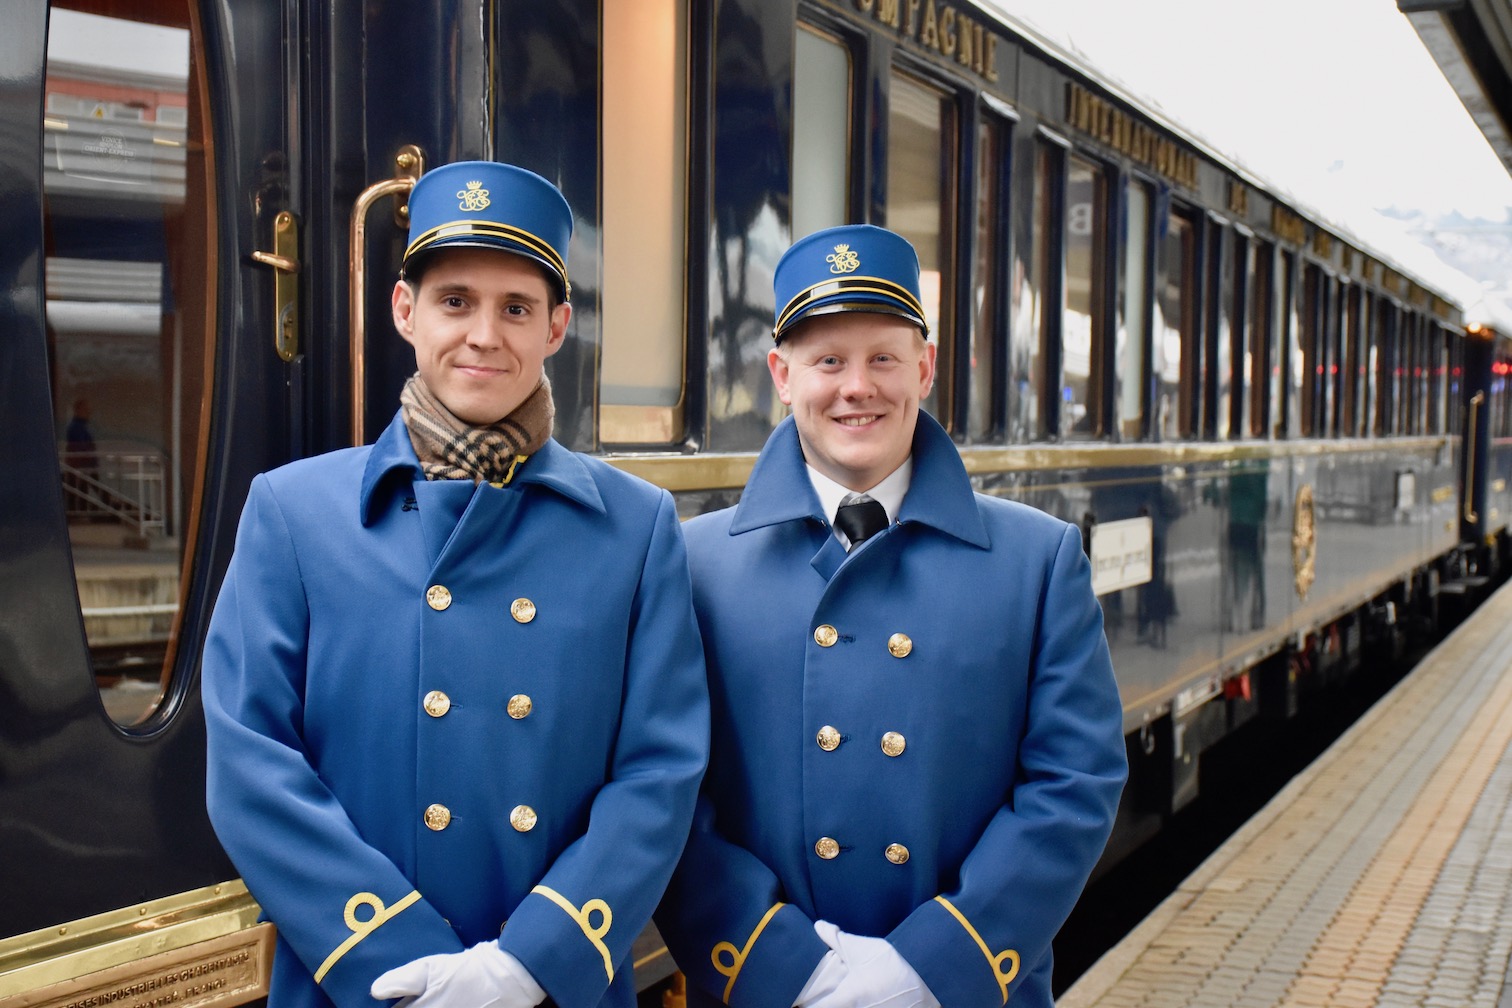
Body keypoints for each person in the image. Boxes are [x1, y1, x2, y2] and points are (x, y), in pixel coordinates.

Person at [203, 161, 709, 1008]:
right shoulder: (292, 512)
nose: (484, 334)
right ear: (405, 311)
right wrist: (396, 957)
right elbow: (249, 761)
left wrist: (528, 964)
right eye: (454, 301)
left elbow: (661, 771)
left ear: (558, 327)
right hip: (363, 983)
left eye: (517, 307)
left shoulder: (637, 527)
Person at [655, 224, 1127, 1008]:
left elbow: (1074, 784)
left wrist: (933, 966)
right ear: (781, 374)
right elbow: (667, 794)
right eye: (828, 360)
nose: (857, 387)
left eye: (883, 357)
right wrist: (778, 966)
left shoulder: (1037, 561)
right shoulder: (693, 564)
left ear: (926, 366)